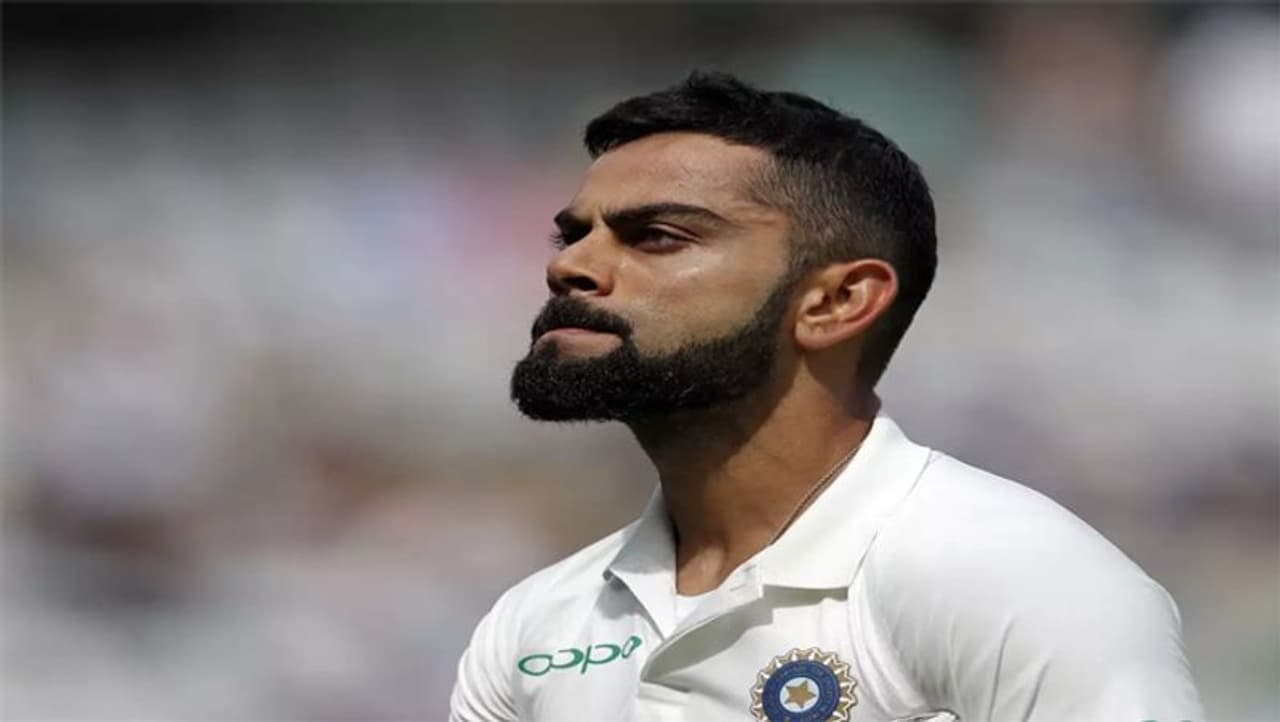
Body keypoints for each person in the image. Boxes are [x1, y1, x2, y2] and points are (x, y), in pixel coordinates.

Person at [450, 72, 1203, 722]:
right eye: (572, 237)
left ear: (837, 302)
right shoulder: (533, 625)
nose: (570, 267)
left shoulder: (1018, 578)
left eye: (657, 236)